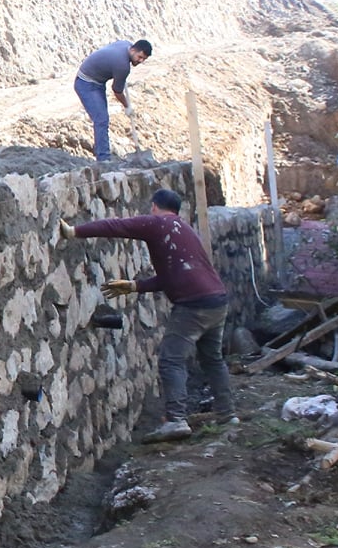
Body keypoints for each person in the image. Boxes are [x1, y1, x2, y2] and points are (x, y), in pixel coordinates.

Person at [60, 187, 232, 443]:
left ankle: (176, 420)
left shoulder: (157, 223)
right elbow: (174, 275)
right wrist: (134, 286)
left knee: (171, 360)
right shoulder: (184, 230)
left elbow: (116, 226)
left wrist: (75, 232)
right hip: (217, 301)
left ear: (154, 206)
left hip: (193, 305)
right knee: (213, 360)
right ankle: (228, 415)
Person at [73, 38, 152, 161]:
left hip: (97, 81)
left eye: (144, 59)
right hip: (86, 83)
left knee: (103, 119)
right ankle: (103, 159)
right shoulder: (122, 66)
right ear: (133, 50)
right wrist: (127, 106)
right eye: (139, 57)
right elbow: (117, 91)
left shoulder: (125, 44)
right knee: (101, 120)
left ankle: (104, 155)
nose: (140, 61)